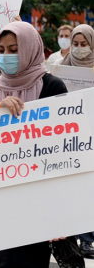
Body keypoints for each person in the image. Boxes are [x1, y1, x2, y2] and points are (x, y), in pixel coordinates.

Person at [0, 21, 71, 268]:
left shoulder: (52, 87)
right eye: (2, 49)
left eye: (14, 49)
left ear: (30, 49)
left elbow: (62, 148)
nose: (6, 56)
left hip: (31, 206)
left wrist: (61, 212)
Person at [57, 23, 94, 256]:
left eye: (84, 45)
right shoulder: (61, 66)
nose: (79, 49)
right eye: (76, 44)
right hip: (69, 134)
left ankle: (88, 236)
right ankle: (80, 238)